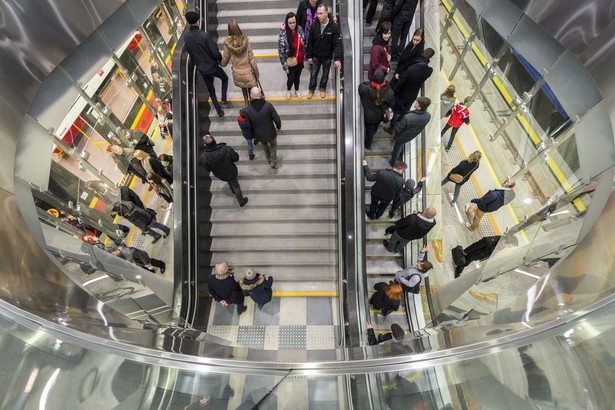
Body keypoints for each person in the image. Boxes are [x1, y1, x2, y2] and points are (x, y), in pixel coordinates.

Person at [183, 11, 230, 118]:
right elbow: (215, 52)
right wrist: (219, 59)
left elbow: (191, 54)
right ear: (198, 21)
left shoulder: (186, 38)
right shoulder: (204, 36)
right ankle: (223, 100)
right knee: (225, 78)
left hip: (201, 69)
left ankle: (219, 112)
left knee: (211, 90)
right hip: (212, 66)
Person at [390, 48, 434, 130]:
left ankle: (392, 127)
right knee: (406, 111)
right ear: (430, 57)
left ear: (423, 52)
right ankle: (400, 124)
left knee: (396, 110)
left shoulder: (411, 68)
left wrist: (396, 89)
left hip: (402, 94)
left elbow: (401, 83)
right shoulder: (429, 70)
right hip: (413, 95)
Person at [305, 4, 343, 99]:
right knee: (313, 74)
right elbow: (310, 41)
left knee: (325, 74)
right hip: (316, 55)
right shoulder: (314, 24)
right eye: (318, 13)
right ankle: (311, 89)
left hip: (327, 57)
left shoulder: (334, 27)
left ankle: (322, 88)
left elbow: (337, 44)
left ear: (326, 13)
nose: (319, 15)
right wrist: (309, 55)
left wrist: (337, 58)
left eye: (321, 13)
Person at [200, 134, 249, 207]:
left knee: (230, 181)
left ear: (205, 145)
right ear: (215, 141)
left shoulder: (205, 157)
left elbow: (207, 169)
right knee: (236, 186)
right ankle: (241, 201)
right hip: (231, 171)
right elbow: (236, 158)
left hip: (220, 174)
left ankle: (232, 190)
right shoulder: (226, 149)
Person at [220, 19, 259, 106]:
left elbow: (224, 61)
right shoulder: (245, 41)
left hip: (237, 73)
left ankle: (246, 102)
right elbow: (252, 60)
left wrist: (220, 62)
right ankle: (252, 105)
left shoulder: (228, 43)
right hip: (248, 72)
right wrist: (256, 73)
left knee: (243, 87)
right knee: (251, 90)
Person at [244, 87, 282, 169]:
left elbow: (248, 125)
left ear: (251, 96)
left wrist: (253, 135)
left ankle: (268, 159)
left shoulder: (247, 110)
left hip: (259, 134)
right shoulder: (268, 105)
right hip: (271, 132)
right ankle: (274, 162)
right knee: (273, 145)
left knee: (265, 145)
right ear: (260, 94)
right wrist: (278, 126)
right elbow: (277, 119)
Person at [358, 69, 395, 149]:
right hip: (380, 116)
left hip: (368, 116)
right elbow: (392, 105)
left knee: (369, 131)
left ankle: (367, 145)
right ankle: (374, 131)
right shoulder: (389, 93)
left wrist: (371, 84)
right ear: (384, 79)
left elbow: (361, 85)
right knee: (375, 127)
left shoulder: (364, 89)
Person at [390, 96, 432, 165]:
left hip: (401, 137)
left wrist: (395, 125)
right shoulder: (428, 115)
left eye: (417, 102)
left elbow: (397, 130)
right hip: (411, 135)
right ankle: (399, 155)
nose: (415, 103)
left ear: (419, 106)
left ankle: (393, 162)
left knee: (396, 149)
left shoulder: (408, 118)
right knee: (400, 145)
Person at [452, 235, 518, 278]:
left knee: (465, 262)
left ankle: (459, 265)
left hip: (479, 255)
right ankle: (458, 270)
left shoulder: (501, 245)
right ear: (504, 241)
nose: (508, 248)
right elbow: (475, 245)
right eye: (509, 246)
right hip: (474, 254)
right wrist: (465, 252)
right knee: (465, 263)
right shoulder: (488, 241)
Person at [278, 12, 306, 99]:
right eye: (290, 23)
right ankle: (289, 90)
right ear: (287, 23)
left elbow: (304, 42)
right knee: (291, 79)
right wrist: (284, 66)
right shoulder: (283, 34)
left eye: (294, 22)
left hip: (300, 59)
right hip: (290, 62)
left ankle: (297, 90)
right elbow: (281, 52)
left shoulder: (300, 29)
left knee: (297, 78)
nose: (292, 25)